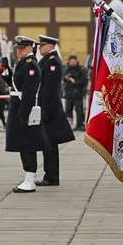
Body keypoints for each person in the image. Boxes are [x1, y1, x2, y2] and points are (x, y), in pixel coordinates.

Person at [6, 36, 48, 192]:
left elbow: (29, 93)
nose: (18, 50)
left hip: (25, 109)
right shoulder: (23, 64)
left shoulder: (30, 66)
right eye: (17, 48)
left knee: (28, 145)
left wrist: (23, 114)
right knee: (23, 145)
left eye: (22, 48)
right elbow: (15, 85)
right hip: (20, 107)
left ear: (31, 48)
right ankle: (29, 177)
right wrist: (6, 71)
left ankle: (30, 180)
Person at [34, 35, 75, 186]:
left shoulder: (52, 62)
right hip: (47, 107)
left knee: (50, 144)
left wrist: (44, 110)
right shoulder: (47, 61)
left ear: (50, 46)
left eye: (42, 45)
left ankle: (51, 176)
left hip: (50, 109)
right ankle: (50, 174)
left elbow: (51, 89)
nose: (39, 48)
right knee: (48, 143)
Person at [63, 54, 88, 131]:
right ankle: (69, 124)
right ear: (69, 61)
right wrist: (68, 79)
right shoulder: (66, 69)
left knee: (79, 110)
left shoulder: (81, 69)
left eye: (75, 61)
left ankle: (79, 124)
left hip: (78, 93)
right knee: (68, 109)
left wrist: (75, 81)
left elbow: (84, 80)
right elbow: (63, 78)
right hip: (69, 93)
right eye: (72, 61)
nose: (73, 62)